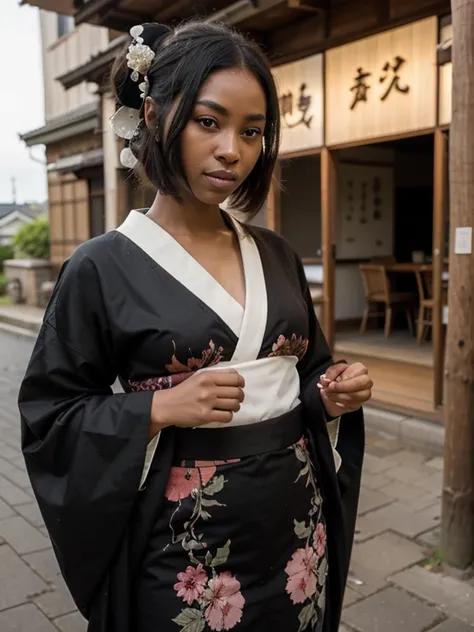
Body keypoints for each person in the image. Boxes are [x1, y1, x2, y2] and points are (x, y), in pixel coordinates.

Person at [18, 19, 371, 632]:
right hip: (183, 551)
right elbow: (50, 416)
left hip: (296, 536)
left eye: (252, 130)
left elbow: (309, 371)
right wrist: (157, 409)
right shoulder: (101, 266)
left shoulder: (277, 254)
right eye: (210, 122)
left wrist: (331, 392)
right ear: (155, 116)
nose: (232, 148)